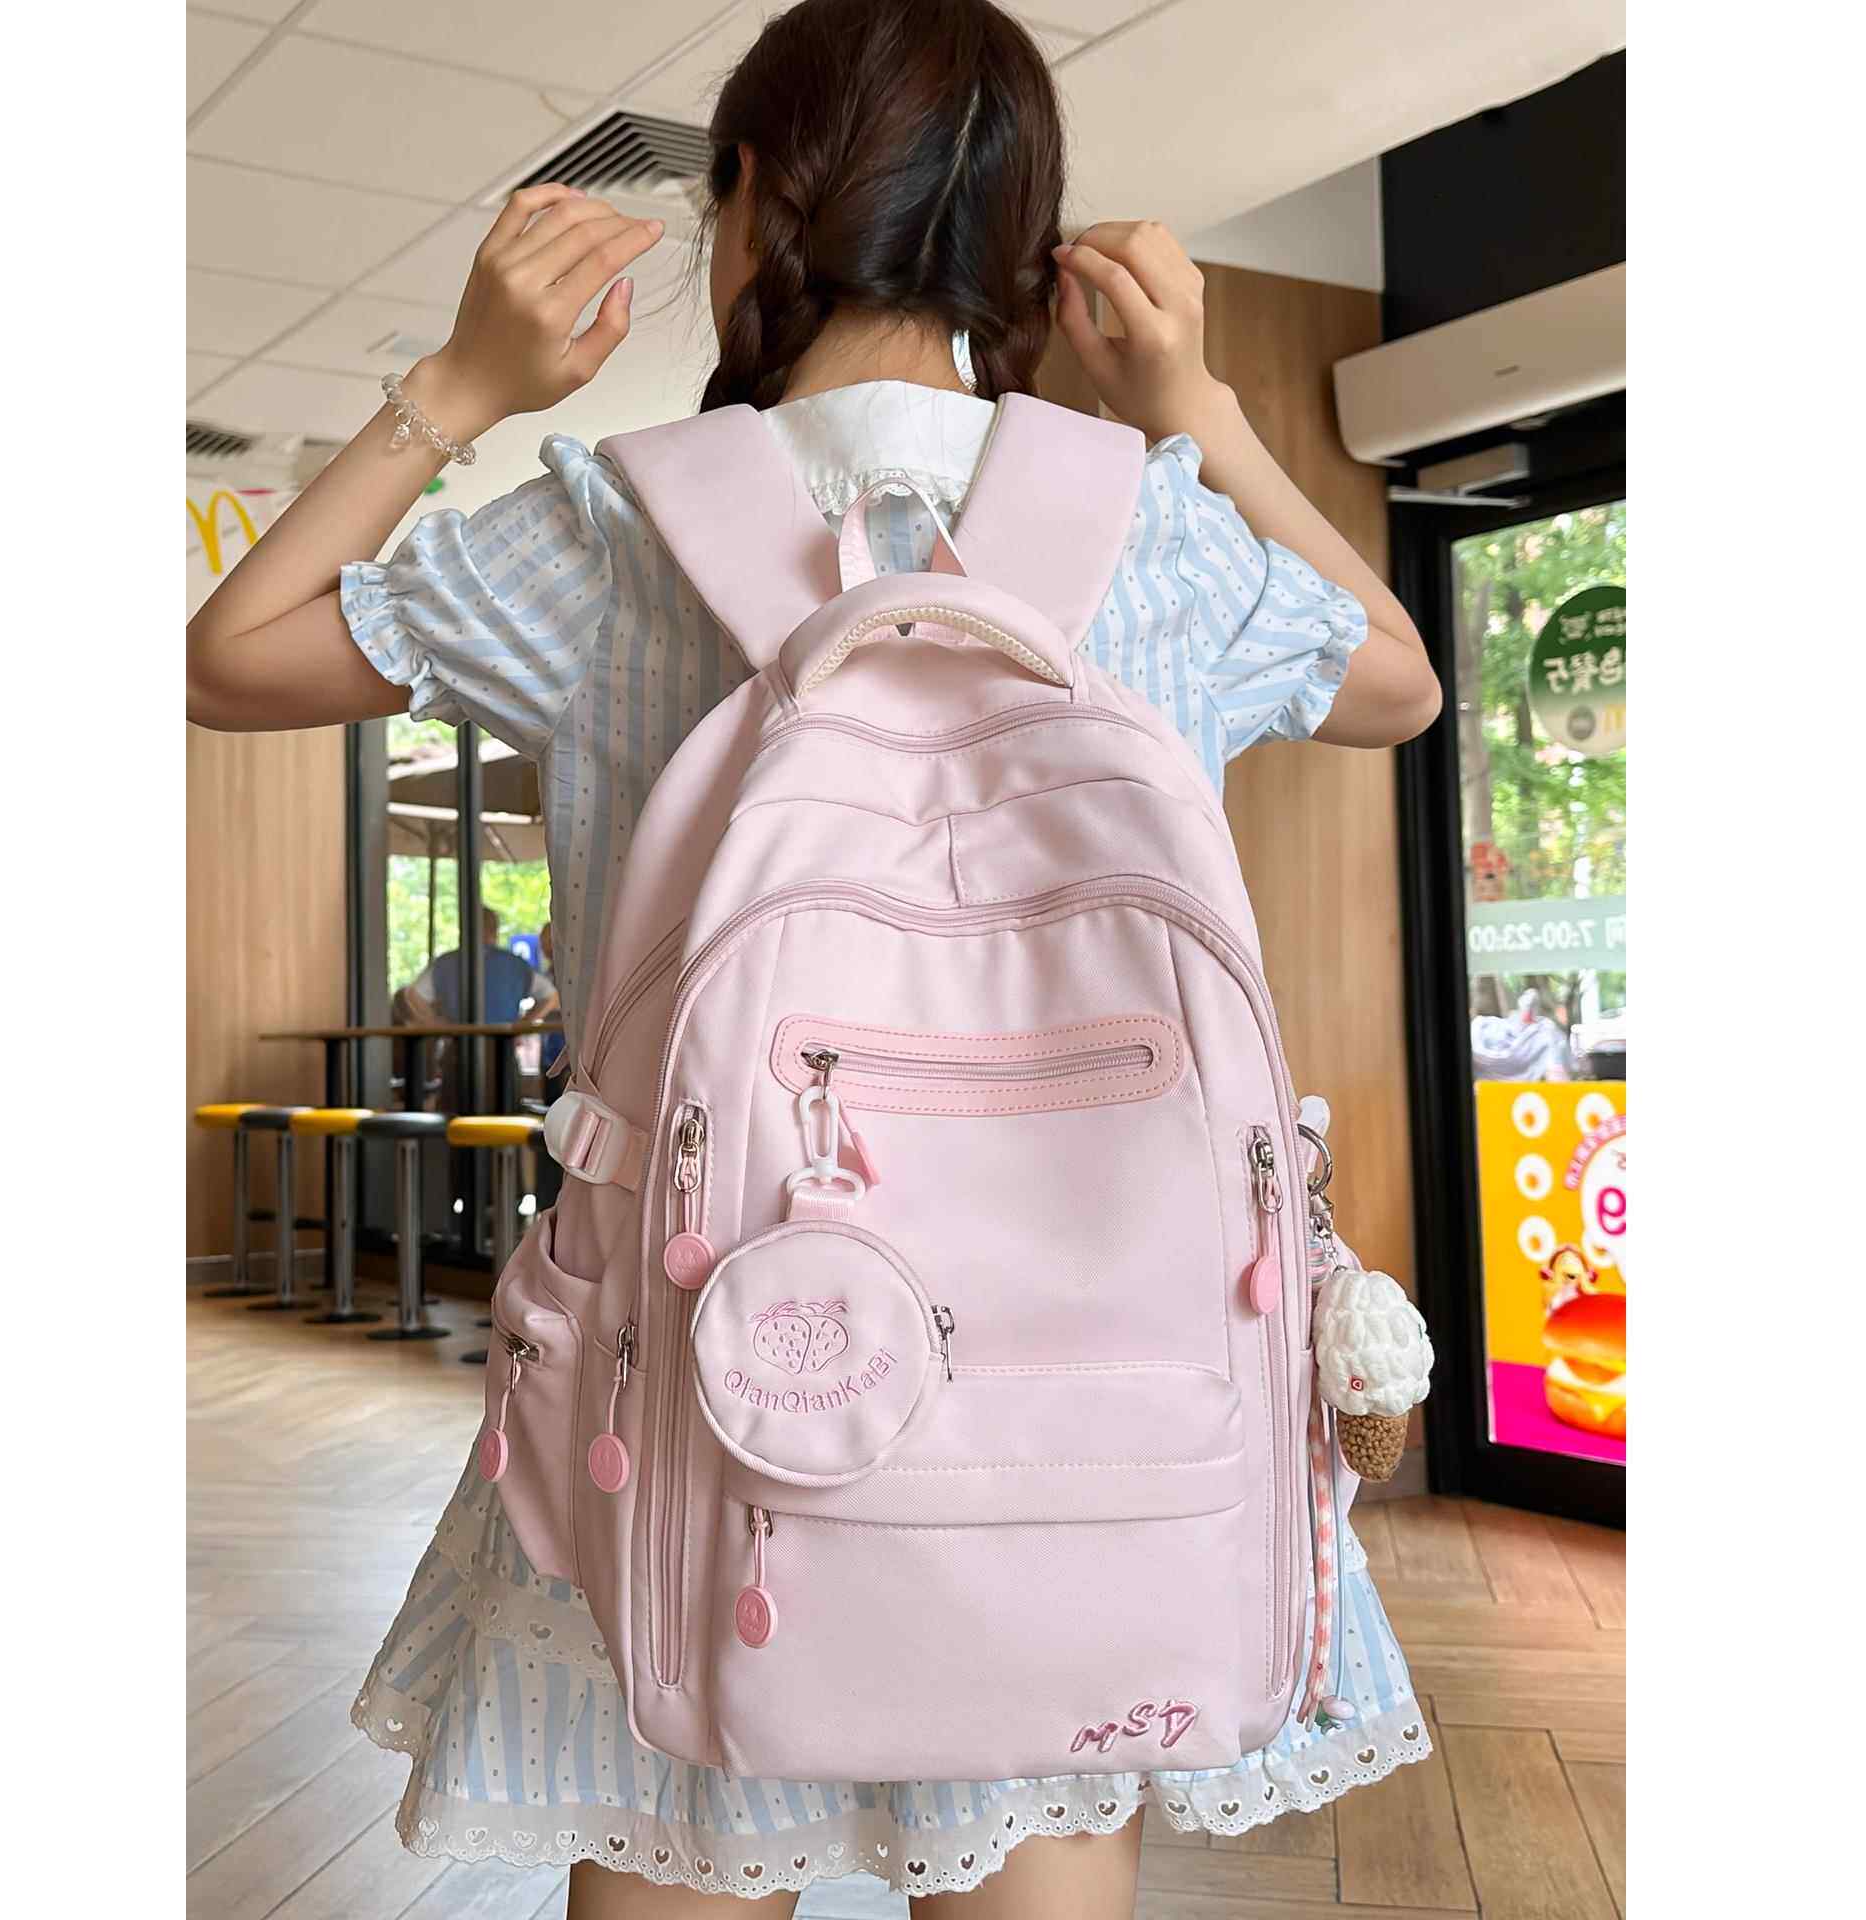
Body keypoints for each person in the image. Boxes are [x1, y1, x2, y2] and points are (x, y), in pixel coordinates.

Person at [185, 4, 1442, 1911]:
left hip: (693, 1383)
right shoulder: (1153, 538)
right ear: (1023, 243)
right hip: (1088, 1403)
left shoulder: (610, 533)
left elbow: (228, 658)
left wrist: (457, 385)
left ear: (752, 202)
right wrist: (1199, 408)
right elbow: (1402, 684)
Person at [400, 905, 560, 1027]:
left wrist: (438, 1024)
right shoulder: (516, 965)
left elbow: (412, 996)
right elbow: (550, 996)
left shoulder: (445, 963)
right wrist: (522, 1025)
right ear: (494, 931)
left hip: (457, 1043)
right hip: (503, 1044)